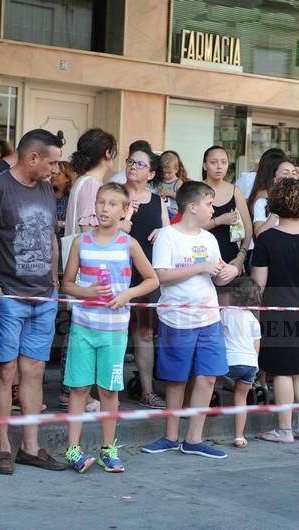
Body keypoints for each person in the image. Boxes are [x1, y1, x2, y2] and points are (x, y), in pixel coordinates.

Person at [0, 129, 64, 475]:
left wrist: (54, 280)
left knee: (34, 371)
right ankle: (2, 447)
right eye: (51, 162)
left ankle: (30, 447)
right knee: (6, 371)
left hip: (44, 295)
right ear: (32, 158)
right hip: (9, 295)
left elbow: (51, 235)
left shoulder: (45, 189)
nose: (56, 169)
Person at [61, 183, 159, 473]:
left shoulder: (129, 243)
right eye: (101, 202)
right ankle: (72, 449)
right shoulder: (81, 241)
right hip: (83, 326)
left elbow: (152, 279)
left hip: (115, 330)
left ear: (125, 210)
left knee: (108, 391)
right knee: (79, 389)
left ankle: (108, 449)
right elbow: (66, 283)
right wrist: (86, 292)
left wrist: (128, 294)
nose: (104, 209)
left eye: (112, 204)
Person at [141, 181, 239, 458]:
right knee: (176, 380)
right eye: (209, 204)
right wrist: (201, 267)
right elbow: (161, 276)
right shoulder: (167, 236)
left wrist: (227, 272)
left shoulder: (209, 239)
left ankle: (194, 439)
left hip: (208, 316)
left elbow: (216, 274)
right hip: (177, 317)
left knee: (208, 377)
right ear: (192, 207)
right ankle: (170, 436)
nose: (213, 209)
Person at [252, 178, 299, 443]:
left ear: (275, 203)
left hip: (277, 309)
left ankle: (284, 429)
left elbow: (258, 283)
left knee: (281, 372)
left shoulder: (267, 239)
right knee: (298, 372)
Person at [60, 128, 118, 410]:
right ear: (108, 154)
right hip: (91, 272)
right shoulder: (92, 186)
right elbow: (89, 229)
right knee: (83, 331)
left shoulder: (82, 182)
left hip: (82, 268)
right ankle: (76, 390)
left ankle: (77, 389)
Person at [125, 144, 169, 409]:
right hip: (117, 272)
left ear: (151, 174)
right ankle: (103, 391)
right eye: (131, 161)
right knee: (113, 333)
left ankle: (147, 390)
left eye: (140, 164)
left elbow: (167, 233)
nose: (133, 166)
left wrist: (163, 234)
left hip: (146, 274)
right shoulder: (115, 195)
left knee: (144, 333)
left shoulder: (158, 201)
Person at [218, 277, 262, 449]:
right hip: (250, 363)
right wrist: (254, 366)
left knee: (209, 382)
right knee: (241, 398)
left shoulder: (226, 313)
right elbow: (256, 345)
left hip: (231, 361)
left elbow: (218, 337)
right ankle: (239, 436)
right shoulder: (253, 319)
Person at [201, 146, 252, 273]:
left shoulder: (235, 191)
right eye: (214, 162)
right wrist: (218, 221)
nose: (219, 166)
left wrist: (241, 257)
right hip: (200, 256)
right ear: (204, 165)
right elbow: (188, 227)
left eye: (223, 162)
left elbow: (248, 228)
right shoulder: (195, 190)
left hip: (230, 258)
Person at [249, 155, 299, 239]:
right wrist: (277, 208)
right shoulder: (262, 203)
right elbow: (259, 235)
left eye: (293, 173)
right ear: (274, 179)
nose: (290, 176)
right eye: (285, 173)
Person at [156, 150, 188, 219]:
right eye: (164, 173)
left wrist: (169, 193)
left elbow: (181, 197)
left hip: (172, 213)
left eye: (169, 172)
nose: (166, 175)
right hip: (160, 211)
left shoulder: (178, 182)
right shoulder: (160, 181)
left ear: (176, 169)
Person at [52, 161, 76, 246]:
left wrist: (61, 224)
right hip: (47, 241)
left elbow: (76, 223)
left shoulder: (72, 197)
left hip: (64, 243)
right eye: (54, 173)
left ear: (67, 178)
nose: (54, 176)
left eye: (58, 174)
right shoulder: (48, 194)